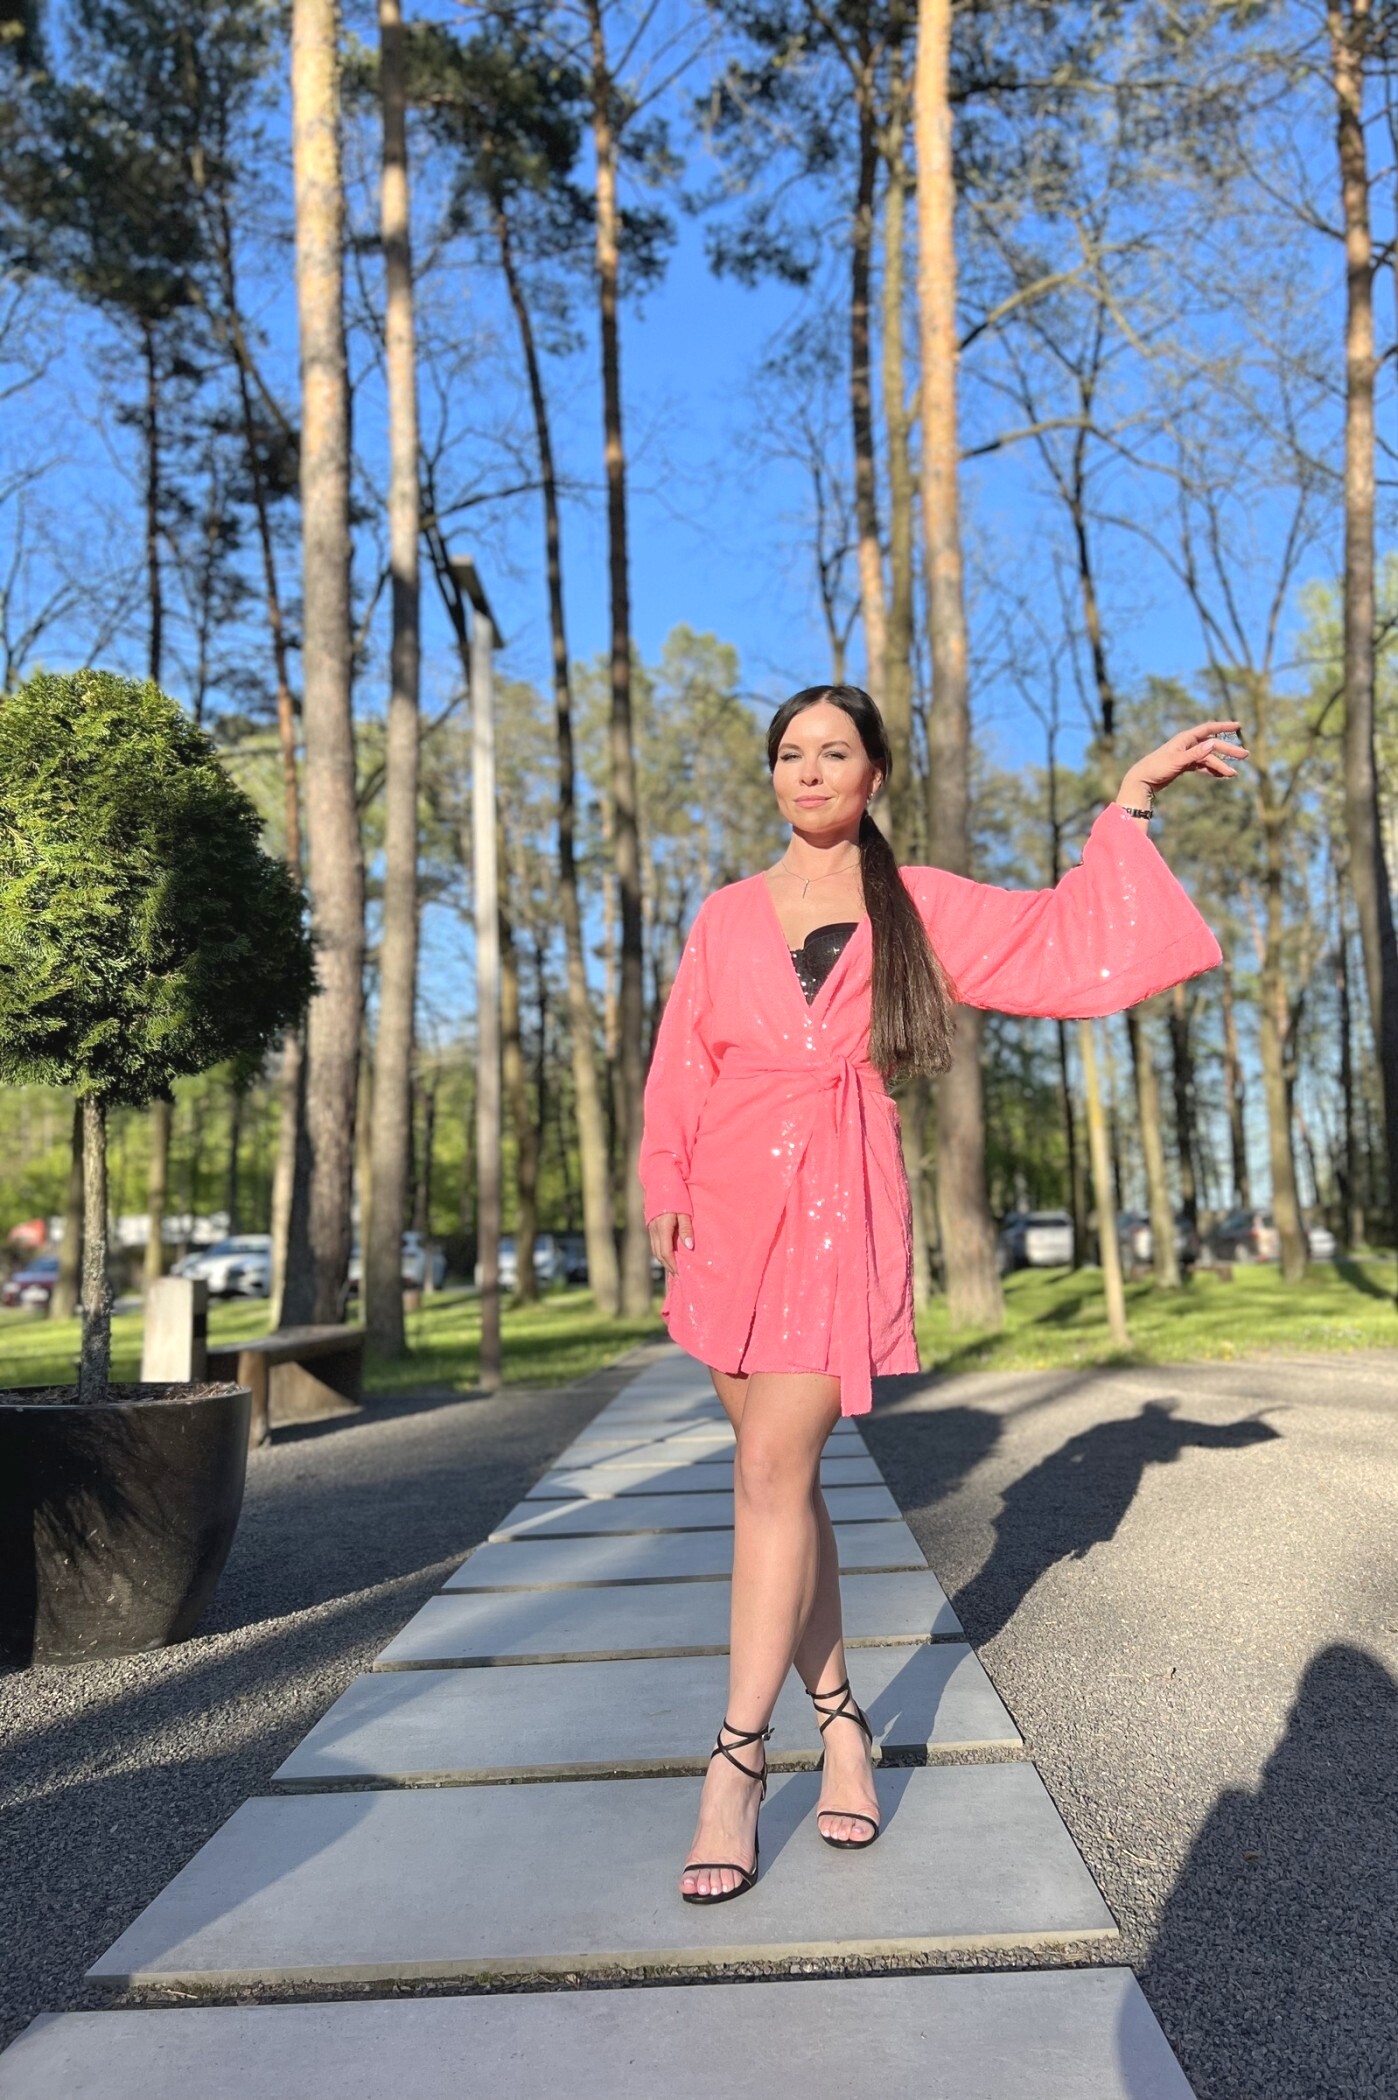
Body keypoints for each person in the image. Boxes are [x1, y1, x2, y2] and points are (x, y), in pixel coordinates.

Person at [640, 683, 1244, 1905]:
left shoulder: (913, 903)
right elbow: (680, 1061)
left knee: (768, 1472)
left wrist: (1131, 803)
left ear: (874, 774)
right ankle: (843, 1723)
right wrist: (666, 1184)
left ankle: (735, 1761)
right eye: (791, 754)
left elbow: (1068, 938)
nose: (810, 772)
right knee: (781, 1484)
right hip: (725, 1210)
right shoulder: (724, 913)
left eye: (835, 752)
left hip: (834, 1207)